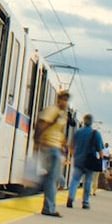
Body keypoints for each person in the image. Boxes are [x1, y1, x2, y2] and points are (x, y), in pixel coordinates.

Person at [34, 89, 70, 217]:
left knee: (52, 177)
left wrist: (64, 144)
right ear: (58, 99)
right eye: (63, 99)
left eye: (66, 100)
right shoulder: (51, 110)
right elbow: (41, 125)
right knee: (52, 178)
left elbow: (59, 131)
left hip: (56, 147)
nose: (65, 102)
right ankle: (49, 208)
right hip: (48, 146)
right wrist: (37, 143)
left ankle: (48, 205)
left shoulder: (62, 115)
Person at [66, 113, 103, 210]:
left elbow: (71, 146)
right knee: (88, 182)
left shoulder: (78, 132)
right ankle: (85, 202)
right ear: (91, 122)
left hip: (78, 160)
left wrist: (74, 155)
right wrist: (101, 160)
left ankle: (70, 198)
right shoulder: (95, 134)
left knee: (75, 180)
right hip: (89, 162)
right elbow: (100, 150)